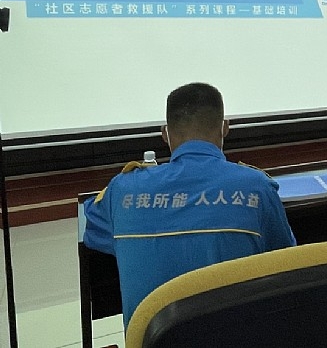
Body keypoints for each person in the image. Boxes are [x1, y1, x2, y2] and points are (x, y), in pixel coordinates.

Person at [83, 82, 296, 328]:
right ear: (225, 128)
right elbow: (286, 260)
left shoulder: (123, 190)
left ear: (165, 134)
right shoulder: (257, 187)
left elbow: (93, 226)